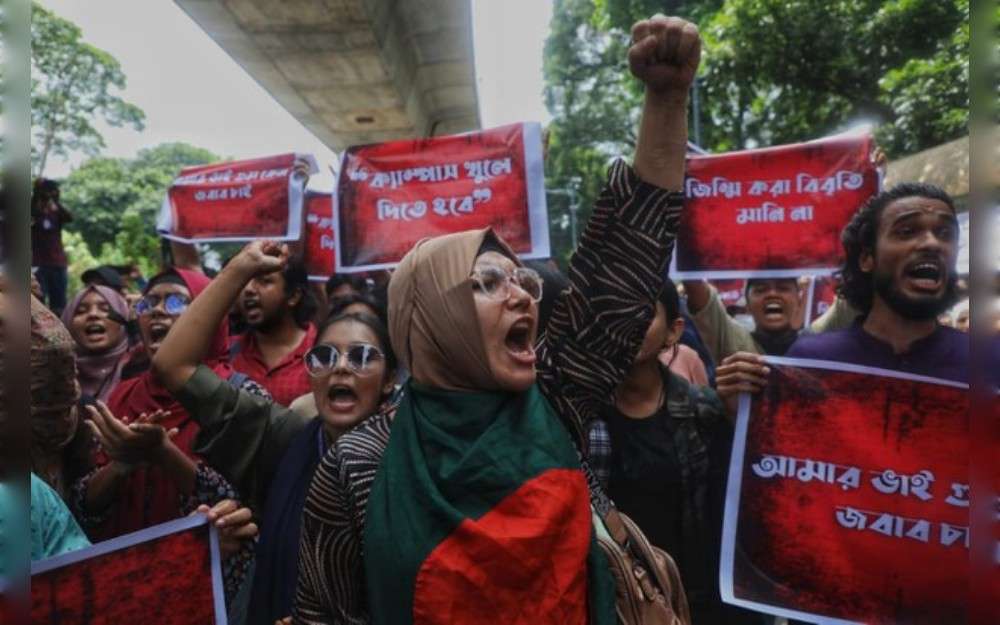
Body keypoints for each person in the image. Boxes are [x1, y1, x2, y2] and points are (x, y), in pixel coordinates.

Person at [291, 13, 697, 624]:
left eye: (523, 282)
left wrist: (667, 98)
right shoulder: (357, 464)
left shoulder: (555, 402)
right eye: (486, 283)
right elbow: (324, 614)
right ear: (430, 319)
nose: (523, 296)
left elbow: (627, 264)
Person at [150, 242, 399, 625]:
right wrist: (242, 267)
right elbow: (174, 365)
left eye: (363, 357)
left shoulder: (409, 456)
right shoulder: (284, 437)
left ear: (390, 382)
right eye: (325, 357)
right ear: (310, 374)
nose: (341, 369)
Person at [600, 278, 755, 624]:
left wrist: (738, 420)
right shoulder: (581, 417)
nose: (626, 320)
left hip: (695, 602)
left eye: (642, 310)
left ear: (673, 331)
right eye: (614, 308)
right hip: (617, 604)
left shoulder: (705, 412)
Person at [73, 268, 245, 540]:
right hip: (127, 567)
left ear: (210, 314)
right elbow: (85, 505)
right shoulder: (125, 393)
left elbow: (246, 502)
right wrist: (118, 467)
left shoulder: (240, 396)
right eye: (148, 303)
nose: (158, 311)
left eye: (176, 302)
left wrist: (163, 453)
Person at [784, 183, 967, 382]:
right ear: (866, 258)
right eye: (906, 231)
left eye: (945, 234)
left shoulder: (989, 362)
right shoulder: (811, 362)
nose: (932, 243)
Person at [230, 261, 319, 405]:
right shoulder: (226, 352)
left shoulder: (324, 353)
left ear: (293, 296)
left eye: (265, 281)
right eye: (245, 281)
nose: (248, 289)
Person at [683, 277, 805, 361]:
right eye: (761, 290)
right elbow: (697, 291)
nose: (772, 294)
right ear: (747, 304)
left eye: (783, 288)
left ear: (799, 301)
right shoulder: (735, 340)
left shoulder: (816, 346)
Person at [61, 284, 134, 402]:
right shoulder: (53, 376)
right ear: (67, 323)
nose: (93, 315)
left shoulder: (140, 368)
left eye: (105, 309)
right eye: (81, 311)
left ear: (122, 321)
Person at [31, 178, 72, 315]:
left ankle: (60, 331)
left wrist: (55, 201)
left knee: (59, 303)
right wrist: (37, 195)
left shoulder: (56, 212)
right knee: (37, 301)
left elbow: (69, 217)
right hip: (38, 264)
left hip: (58, 264)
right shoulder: (33, 211)